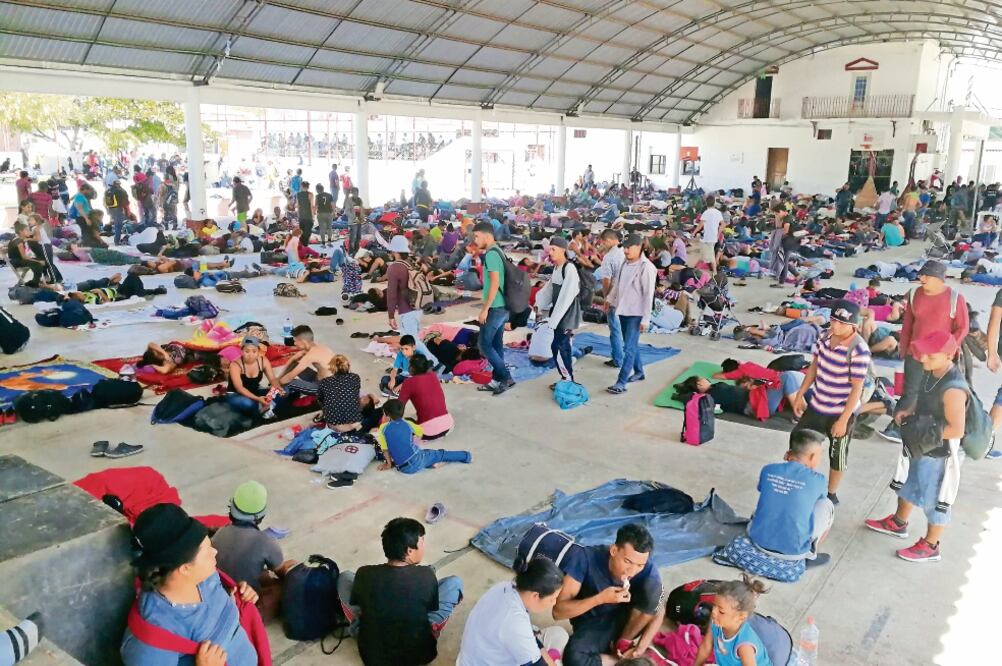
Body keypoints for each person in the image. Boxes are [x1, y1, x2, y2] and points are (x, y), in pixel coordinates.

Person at [865, 330, 969, 562]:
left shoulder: (953, 389)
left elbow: (956, 429)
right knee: (909, 484)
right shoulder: (932, 372)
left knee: (936, 499)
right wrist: (910, 412)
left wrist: (922, 432)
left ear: (949, 356)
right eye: (924, 354)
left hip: (938, 454)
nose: (923, 359)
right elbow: (926, 402)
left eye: (931, 356)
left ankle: (931, 545)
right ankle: (899, 522)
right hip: (922, 447)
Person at [120, 503, 261, 666]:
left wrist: (238, 596)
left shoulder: (205, 578)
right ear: (185, 568)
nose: (215, 552)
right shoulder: (152, 640)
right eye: (208, 551)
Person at [338, 517, 463, 665]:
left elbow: (356, 600)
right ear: (409, 551)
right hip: (420, 654)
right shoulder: (426, 575)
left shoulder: (364, 573)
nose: (424, 547)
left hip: (372, 655)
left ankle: (359, 627)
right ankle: (431, 629)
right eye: (422, 542)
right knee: (454, 584)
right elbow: (431, 608)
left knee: (345, 577)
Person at [790, 300, 871, 505]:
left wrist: (844, 420)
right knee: (800, 444)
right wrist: (800, 394)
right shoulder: (824, 337)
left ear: (853, 325)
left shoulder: (859, 350)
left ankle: (830, 494)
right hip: (817, 405)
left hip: (840, 411)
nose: (835, 326)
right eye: (833, 320)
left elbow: (857, 388)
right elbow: (814, 367)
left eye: (841, 323)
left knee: (838, 455)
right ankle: (802, 484)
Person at [881, 260, 968, 443]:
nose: (921, 278)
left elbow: (962, 328)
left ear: (939, 279)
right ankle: (897, 427)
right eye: (921, 275)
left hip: (940, 358)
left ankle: (941, 427)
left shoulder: (955, 298)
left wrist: (949, 350)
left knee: (935, 394)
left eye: (926, 276)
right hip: (916, 352)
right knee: (910, 390)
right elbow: (907, 326)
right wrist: (904, 349)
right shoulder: (914, 294)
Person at [555, 524, 664, 666]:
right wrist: (600, 599)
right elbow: (558, 612)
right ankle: (619, 661)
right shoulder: (585, 558)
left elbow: (659, 608)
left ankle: (623, 646)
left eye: (639, 565)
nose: (632, 571)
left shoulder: (648, 569)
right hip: (593, 623)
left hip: (629, 620)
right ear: (614, 550)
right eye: (627, 561)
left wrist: (640, 647)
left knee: (655, 593)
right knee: (573, 658)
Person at [457, 557, 567, 666]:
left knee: (558, 633)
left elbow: (528, 635)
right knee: (559, 642)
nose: (554, 603)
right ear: (535, 595)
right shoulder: (514, 623)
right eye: (552, 598)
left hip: (474, 659)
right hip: (487, 659)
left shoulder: (504, 587)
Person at [748, 429, 834, 567]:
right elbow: (816, 499)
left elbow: (763, 489)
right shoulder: (818, 480)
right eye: (820, 455)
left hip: (758, 542)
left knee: (773, 499)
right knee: (826, 505)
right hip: (794, 552)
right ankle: (809, 554)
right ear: (812, 457)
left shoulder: (768, 469)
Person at [212, 481, 295, 596]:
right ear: (261, 515)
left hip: (221, 593)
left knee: (262, 573)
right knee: (281, 586)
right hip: (247, 598)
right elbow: (282, 574)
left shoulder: (220, 533)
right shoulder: (266, 542)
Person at [607, 234, 656, 395]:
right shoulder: (624, 263)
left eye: (629, 247)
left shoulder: (646, 267)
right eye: (625, 247)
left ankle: (621, 382)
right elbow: (617, 284)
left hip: (637, 313)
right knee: (630, 344)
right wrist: (609, 299)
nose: (626, 250)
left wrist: (646, 319)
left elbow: (649, 295)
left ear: (639, 247)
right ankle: (639, 371)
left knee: (628, 347)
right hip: (623, 310)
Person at [385, 235, 441, 368]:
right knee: (413, 339)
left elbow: (391, 294)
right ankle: (415, 366)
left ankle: (433, 363)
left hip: (406, 309)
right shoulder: (410, 263)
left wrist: (391, 315)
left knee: (412, 341)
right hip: (417, 306)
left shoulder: (394, 268)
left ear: (395, 251)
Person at [693, 575, 772, 666]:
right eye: (714, 605)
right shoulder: (716, 621)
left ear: (741, 617)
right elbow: (705, 647)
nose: (714, 612)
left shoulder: (744, 645)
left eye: (721, 611)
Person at [375, 399, 471, 474]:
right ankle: (466, 456)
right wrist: (414, 442)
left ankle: (430, 463)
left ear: (386, 414)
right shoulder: (408, 424)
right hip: (416, 460)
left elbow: (385, 449)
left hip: (402, 467)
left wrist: (388, 464)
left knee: (426, 455)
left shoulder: (383, 428)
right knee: (440, 454)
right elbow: (420, 432)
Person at [474, 221, 515, 395]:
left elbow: (495, 283)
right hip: (503, 306)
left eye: (476, 236)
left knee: (484, 344)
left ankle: (506, 377)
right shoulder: (499, 251)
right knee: (496, 344)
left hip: (496, 307)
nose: (475, 240)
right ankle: (497, 379)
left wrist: (485, 309)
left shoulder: (491, 254)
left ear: (486, 235)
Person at [536, 237, 582, 386]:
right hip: (558, 313)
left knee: (558, 346)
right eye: (550, 249)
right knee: (562, 346)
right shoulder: (557, 268)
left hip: (566, 314)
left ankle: (567, 379)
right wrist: (539, 304)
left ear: (563, 250)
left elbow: (566, 297)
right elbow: (549, 290)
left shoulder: (569, 269)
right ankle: (567, 378)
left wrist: (554, 321)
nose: (550, 252)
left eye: (554, 249)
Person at [397, 354, 454, 439]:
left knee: (404, 422)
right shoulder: (433, 376)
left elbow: (398, 409)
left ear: (411, 368)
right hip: (448, 426)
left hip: (427, 433)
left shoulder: (408, 382)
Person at [226, 337, 285, 419]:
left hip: (255, 391)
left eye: (254, 351)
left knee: (284, 391)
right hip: (237, 395)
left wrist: (278, 388)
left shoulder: (263, 360)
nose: (250, 355)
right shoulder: (235, 365)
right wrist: (258, 399)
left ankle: (263, 408)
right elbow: (239, 388)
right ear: (241, 351)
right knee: (248, 404)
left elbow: (272, 379)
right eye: (247, 351)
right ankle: (264, 408)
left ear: (258, 351)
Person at [277, 325, 335, 394]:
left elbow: (289, 378)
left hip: (323, 388)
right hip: (320, 379)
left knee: (288, 382)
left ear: (303, 341)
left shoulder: (310, 355)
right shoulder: (317, 347)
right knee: (294, 364)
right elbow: (293, 359)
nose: (294, 343)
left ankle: (281, 399)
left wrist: (278, 383)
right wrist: (279, 377)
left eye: (295, 341)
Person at [598, 229, 626, 369]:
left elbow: (606, 281)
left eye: (603, 242)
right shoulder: (625, 252)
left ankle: (618, 359)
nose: (602, 245)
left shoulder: (609, 257)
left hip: (614, 296)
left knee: (614, 328)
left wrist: (606, 298)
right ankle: (626, 354)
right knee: (624, 327)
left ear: (608, 240)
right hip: (627, 295)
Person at [317, 354, 363, 432]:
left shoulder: (324, 382)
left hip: (334, 425)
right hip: (355, 423)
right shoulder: (355, 377)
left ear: (331, 368)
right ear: (348, 366)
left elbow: (320, 400)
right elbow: (355, 394)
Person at [7, 223, 46, 287]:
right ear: (21, 232)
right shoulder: (19, 242)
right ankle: (35, 283)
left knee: (40, 260)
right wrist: (38, 261)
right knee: (37, 263)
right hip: (16, 262)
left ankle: (36, 281)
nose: (29, 232)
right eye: (27, 230)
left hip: (18, 260)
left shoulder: (17, 239)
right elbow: (24, 257)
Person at [692, 196, 723, 274]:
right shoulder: (718, 212)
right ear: (714, 203)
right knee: (704, 254)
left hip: (707, 238)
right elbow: (723, 224)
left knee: (710, 257)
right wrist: (718, 233)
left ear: (706, 203)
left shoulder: (706, 213)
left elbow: (700, 225)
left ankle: (715, 273)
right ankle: (694, 269)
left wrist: (693, 232)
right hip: (713, 238)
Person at [105, 177, 131, 245]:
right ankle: (117, 241)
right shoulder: (120, 191)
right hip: (118, 209)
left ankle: (116, 239)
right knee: (118, 225)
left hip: (111, 209)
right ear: (119, 184)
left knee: (116, 224)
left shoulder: (108, 190)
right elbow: (125, 201)